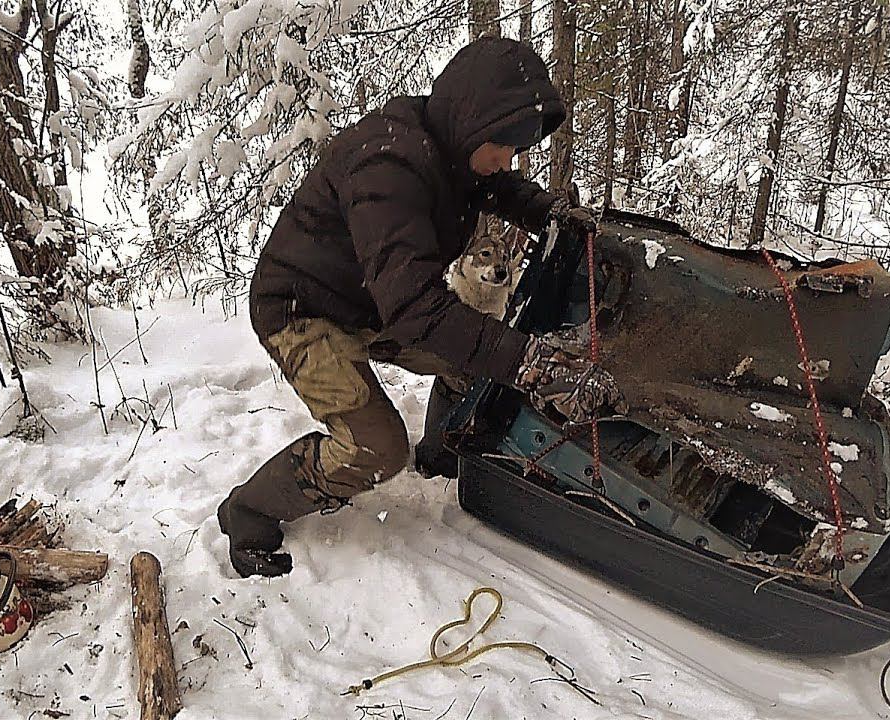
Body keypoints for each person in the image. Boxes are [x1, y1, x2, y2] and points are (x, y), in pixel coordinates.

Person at [218, 37, 626, 578]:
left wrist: (550, 212)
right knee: (376, 449)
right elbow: (416, 307)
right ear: (475, 121)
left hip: (373, 301)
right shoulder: (388, 165)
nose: (506, 160)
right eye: (503, 145)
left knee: (471, 367)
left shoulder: (455, 152)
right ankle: (249, 509)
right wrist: (528, 361)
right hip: (303, 311)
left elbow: (499, 189)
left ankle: (438, 454)